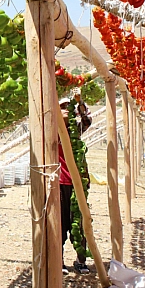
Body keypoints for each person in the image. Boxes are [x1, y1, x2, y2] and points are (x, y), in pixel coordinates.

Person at [58, 97, 90, 275]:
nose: (66, 110)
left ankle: (81, 260)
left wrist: (80, 103)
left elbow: (87, 120)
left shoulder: (74, 130)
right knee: (60, 223)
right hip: (59, 183)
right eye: (62, 107)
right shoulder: (51, 131)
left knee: (79, 222)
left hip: (77, 182)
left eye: (68, 107)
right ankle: (59, 260)